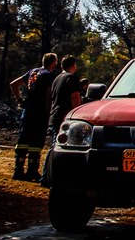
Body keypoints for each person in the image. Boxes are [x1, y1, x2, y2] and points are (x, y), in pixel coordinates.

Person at [10, 52, 58, 181]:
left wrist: (20, 100)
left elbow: (14, 84)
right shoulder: (48, 76)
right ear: (53, 62)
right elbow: (48, 96)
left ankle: (18, 171)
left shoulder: (33, 72)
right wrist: (49, 114)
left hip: (28, 111)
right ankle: (32, 171)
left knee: (23, 140)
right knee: (36, 142)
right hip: (40, 112)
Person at [40, 55, 82, 186]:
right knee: (56, 148)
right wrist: (78, 115)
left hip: (54, 115)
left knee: (54, 146)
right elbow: (75, 97)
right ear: (73, 65)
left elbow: (50, 98)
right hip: (65, 118)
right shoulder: (72, 78)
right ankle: (47, 177)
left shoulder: (57, 78)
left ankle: (47, 176)